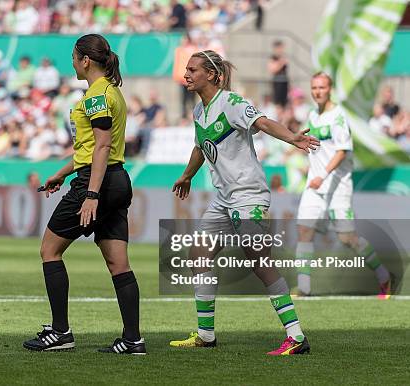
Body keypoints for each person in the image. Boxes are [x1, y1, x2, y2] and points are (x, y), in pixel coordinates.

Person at [168, 50, 319, 355]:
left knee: (260, 263)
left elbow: (262, 123)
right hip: (224, 199)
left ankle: (297, 337)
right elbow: (202, 146)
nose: (186, 74)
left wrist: (292, 138)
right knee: (199, 253)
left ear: (212, 75)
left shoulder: (232, 103)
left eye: (193, 69)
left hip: (248, 195)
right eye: (186, 69)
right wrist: (186, 175)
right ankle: (206, 334)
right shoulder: (200, 112)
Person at [22, 34, 144, 355]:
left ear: (85, 60)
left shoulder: (95, 96)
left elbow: (101, 147)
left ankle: (60, 332)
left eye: (74, 57)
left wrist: (91, 194)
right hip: (116, 179)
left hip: (97, 183)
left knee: (50, 250)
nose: (72, 63)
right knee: (119, 263)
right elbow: (90, 150)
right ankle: (133, 339)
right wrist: (61, 174)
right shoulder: (112, 92)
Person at [294, 72, 392, 298]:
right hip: (314, 185)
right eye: (314, 87)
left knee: (348, 239)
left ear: (330, 90)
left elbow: (342, 151)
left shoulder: (338, 116)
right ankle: (304, 289)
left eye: (322, 87)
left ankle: (384, 276)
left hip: (337, 186)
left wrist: (324, 174)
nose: (317, 91)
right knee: (304, 231)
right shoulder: (312, 115)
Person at [268, 40, 289, 107]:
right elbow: (272, 70)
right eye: (280, 48)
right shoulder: (273, 58)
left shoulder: (283, 57)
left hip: (284, 81)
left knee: (284, 102)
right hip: (277, 82)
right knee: (277, 102)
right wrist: (281, 62)